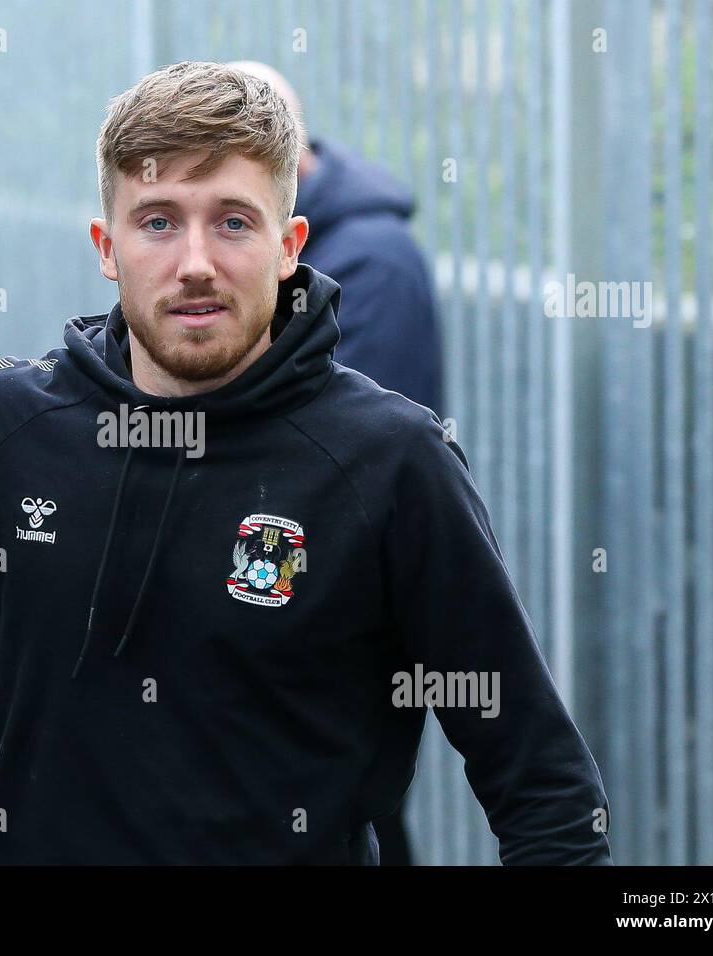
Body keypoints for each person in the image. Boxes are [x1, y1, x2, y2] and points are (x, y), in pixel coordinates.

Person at [0, 60, 612, 865]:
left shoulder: (391, 464)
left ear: (289, 245)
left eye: (233, 220)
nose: (195, 259)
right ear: (109, 247)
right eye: (159, 220)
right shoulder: (11, 428)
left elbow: (541, 785)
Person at [229, 60, 444, 864]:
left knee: (348, 805)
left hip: (332, 587)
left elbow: (349, 451)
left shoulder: (373, 260)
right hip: (273, 571)